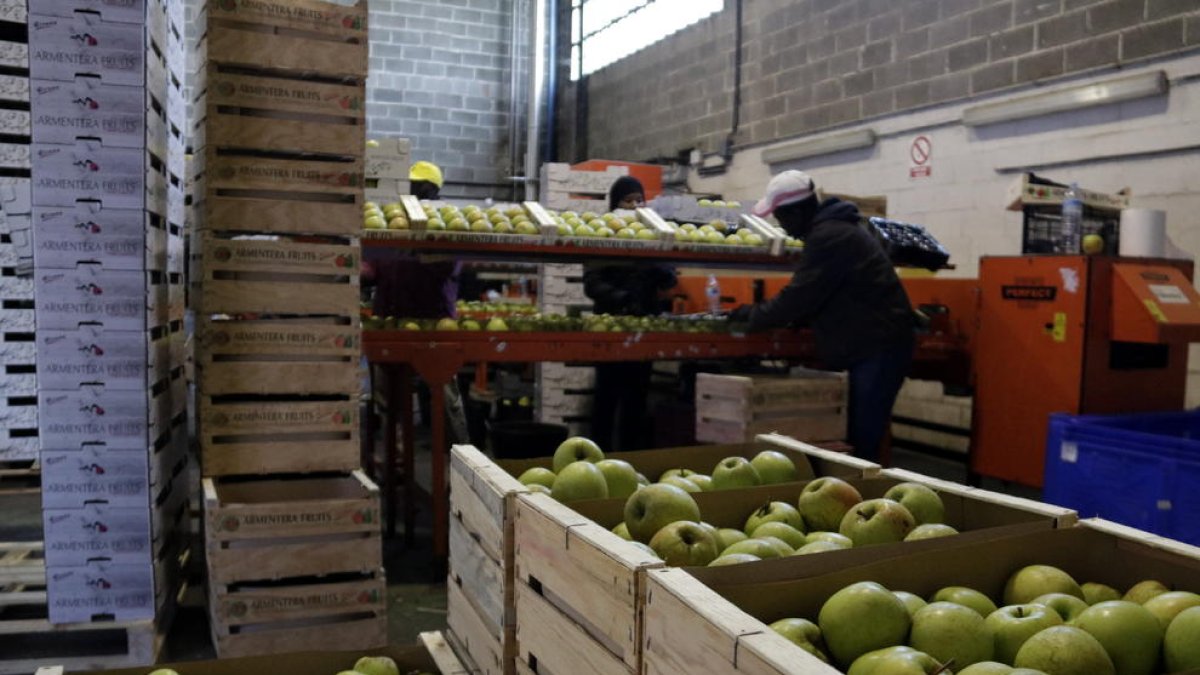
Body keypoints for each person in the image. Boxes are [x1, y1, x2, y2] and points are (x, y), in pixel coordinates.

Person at [731, 170, 916, 463]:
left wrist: (750, 318)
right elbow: (823, 293)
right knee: (856, 436)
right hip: (872, 344)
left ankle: (865, 498)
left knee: (861, 442)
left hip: (877, 348)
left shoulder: (829, 236)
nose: (782, 225)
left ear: (798, 210)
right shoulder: (835, 229)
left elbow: (799, 296)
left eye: (781, 216)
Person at [362, 161, 469, 444]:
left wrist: (421, 243)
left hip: (434, 322)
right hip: (392, 320)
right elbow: (372, 268)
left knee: (444, 397)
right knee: (389, 398)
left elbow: (447, 267)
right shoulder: (392, 220)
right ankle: (393, 454)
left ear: (433, 191)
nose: (415, 193)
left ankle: (459, 457)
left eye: (421, 188)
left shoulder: (445, 222)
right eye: (411, 186)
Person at [583, 176, 677, 452]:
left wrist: (660, 272)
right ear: (615, 204)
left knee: (636, 399)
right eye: (628, 200)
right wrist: (621, 298)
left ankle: (630, 458)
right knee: (606, 397)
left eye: (639, 200)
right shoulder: (603, 234)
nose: (635, 206)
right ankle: (596, 457)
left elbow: (670, 278)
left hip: (643, 329)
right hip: (610, 328)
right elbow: (592, 283)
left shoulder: (654, 234)